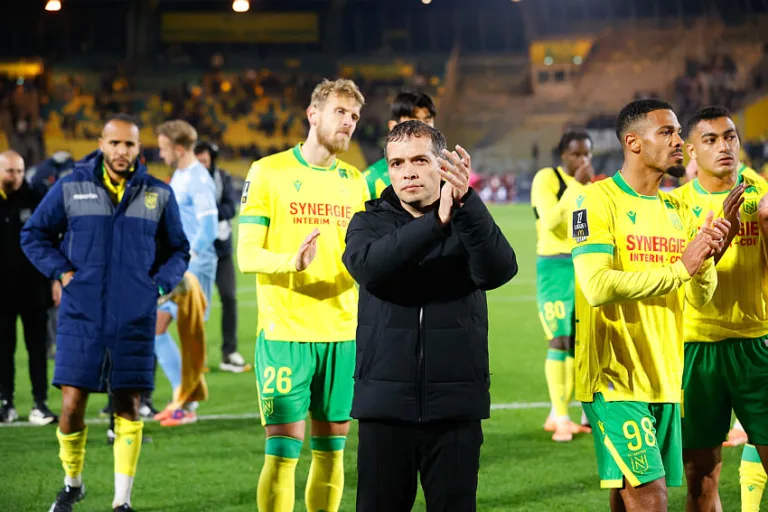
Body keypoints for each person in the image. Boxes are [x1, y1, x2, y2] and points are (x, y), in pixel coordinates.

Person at [342, 120, 518, 511]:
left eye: (420, 159)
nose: (407, 171)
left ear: (441, 164)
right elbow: (368, 268)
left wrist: (465, 205)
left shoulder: (467, 218)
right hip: (384, 408)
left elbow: (499, 271)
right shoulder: (368, 222)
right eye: (397, 162)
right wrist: (435, 223)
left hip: (454, 406)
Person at [20, 114, 189, 512]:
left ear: (138, 149)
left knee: (128, 405)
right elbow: (34, 234)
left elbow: (178, 250)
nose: (121, 151)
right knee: (71, 403)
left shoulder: (158, 193)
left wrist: (160, 285)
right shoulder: (71, 187)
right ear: (101, 144)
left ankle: (121, 501)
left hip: (134, 316)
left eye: (129, 144)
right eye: (114, 143)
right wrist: (62, 271)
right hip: (83, 314)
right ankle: (72, 482)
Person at [570, 99, 730, 511]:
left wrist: (707, 258)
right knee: (652, 498)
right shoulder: (594, 201)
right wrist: (682, 267)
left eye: (678, 132)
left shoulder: (679, 207)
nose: (680, 141)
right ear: (633, 142)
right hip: (614, 377)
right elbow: (597, 286)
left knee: (628, 495)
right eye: (667, 132)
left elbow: (699, 296)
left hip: (664, 374)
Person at [237, 78, 369, 512]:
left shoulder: (356, 182)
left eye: (354, 116)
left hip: (343, 332)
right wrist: (289, 262)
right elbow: (246, 254)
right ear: (313, 115)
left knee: (332, 451)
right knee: (283, 450)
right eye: (340, 113)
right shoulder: (268, 172)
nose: (348, 123)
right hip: (285, 333)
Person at [670, 106, 768, 511]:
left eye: (730, 137)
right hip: (697, 348)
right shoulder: (675, 206)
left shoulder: (762, 195)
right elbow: (688, 280)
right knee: (701, 479)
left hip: (756, 345)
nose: (723, 146)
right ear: (692, 151)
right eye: (710, 140)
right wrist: (721, 235)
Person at [152, 120, 218, 426]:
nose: (161, 154)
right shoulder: (180, 175)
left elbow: (208, 226)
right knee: (157, 329)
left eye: (164, 148)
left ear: (178, 149)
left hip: (194, 268)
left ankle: (187, 405)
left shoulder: (198, 179)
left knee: (187, 335)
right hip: (179, 266)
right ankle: (184, 397)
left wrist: (184, 258)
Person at [530, 131, 595, 442]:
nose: (582, 160)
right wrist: (577, 186)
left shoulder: (587, 187)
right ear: (563, 156)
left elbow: (580, 227)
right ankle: (560, 416)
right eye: (576, 154)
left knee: (583, 340)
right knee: (560, 338)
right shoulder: (547, 178)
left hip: (582, 264)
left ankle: (574, 412)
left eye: (587, 155)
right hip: (554, 266)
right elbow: (552, 220)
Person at [0, 149, 58, 425]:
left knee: (38, 349)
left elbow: (52, 240)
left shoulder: (37, 199)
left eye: (20, 171)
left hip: (34, 289)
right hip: (2, 292)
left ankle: (40, 404)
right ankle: (6, 403)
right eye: (10, 171)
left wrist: (55, 278)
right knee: (3, 350)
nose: (16, 177)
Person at [193, 140, 248, 373]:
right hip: (198, 251)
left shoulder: (222, 178)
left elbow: (230, 208)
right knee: (197, 304)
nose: (202, 165)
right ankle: (196, 357)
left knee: (229, 297)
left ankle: (229, 352)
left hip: (222, 249)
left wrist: (209, 215)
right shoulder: (188, 181)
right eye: (198, 161)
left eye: (205, 160)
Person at [364, 91, 436, 199]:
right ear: (393, 127)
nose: (422, 128)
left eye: (427, 121)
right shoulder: (370, 180)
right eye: (413, 121)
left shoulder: (447, 175)